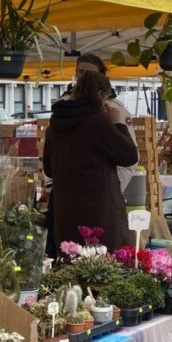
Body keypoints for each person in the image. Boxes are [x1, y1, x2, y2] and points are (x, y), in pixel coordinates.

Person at [43, 70, 138, 250]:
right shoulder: (97, 123)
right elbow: (129, 156)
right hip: (100, 213)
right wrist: (117, 123)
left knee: (70, 265)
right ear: (100, 95)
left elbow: (48, 169)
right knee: (103, 269)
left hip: (66, 212)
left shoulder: (54, 125)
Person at [75, 53, 137, 191]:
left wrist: (113, 189)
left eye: (90, 73)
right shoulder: (63, 107)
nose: (84, 77)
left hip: (101, 192)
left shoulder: (114, 111)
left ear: (101, 76)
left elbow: (129, 159)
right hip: (69, 194)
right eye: (81, 72)